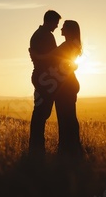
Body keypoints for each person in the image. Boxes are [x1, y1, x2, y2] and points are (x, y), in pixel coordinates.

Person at [30, 20, 84, 158]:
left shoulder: (67, 45)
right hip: (68, 84)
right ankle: (72, 148)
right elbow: (70, 64)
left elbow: (50, 56)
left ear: (69, 30)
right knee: (69, 117)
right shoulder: (74, 44)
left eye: (64, 27)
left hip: (66, 86)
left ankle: (67, 149)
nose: (60, 29)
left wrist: (35, 55)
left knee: (66, 117)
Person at [28, 10, 61, 158]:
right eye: (55, 24)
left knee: (41, 112)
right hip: (44, 77)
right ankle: (36, 148)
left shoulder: (38, 34)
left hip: (40, 76)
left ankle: (36, 147)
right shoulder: (46, 35)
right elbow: (54, 57)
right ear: (50, 21)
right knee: (42, 112)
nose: (56, 27)